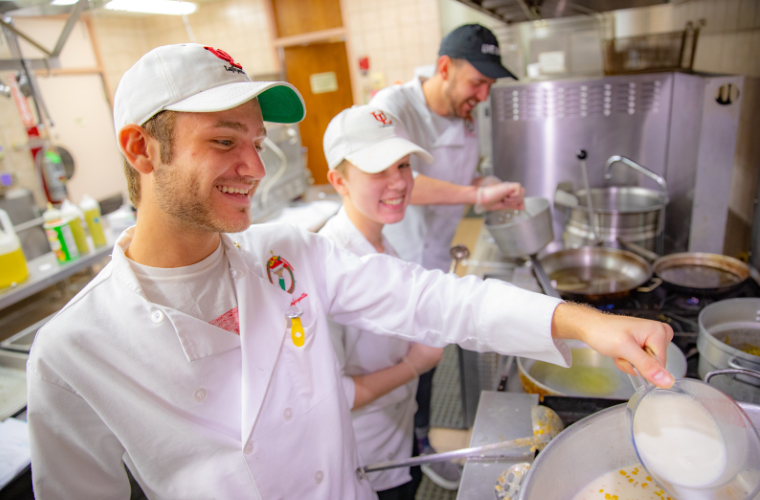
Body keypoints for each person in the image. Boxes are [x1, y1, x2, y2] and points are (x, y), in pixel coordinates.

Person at [26, 43, 675, 500]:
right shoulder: (74, 354)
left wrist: (583, 323)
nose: (254, 168)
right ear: (142, 149)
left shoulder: (286, 253)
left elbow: (435, 300)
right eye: (225, 141)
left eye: (257, 142)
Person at [370, 23, 523, 488]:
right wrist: (472, 196)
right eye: (478, 82)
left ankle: (423, 443)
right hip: (394, 264)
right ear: (443, 68)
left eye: (489, 86)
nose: (482, 94)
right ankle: (401, 461)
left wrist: (487, 188)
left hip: (438, 260)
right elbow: (397, 184)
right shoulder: (393, 108)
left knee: (429, 359)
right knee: (396, 370)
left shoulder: (465, 114)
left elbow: (464, 177)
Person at [320, 105, 443, 499]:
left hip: (399, 428)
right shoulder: (327, 264)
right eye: (378, 171)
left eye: (404, 165)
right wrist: (415, 364)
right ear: (338, 180)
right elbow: (332, 396)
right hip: (366, 456)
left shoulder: (381, 239)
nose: (399, 183)